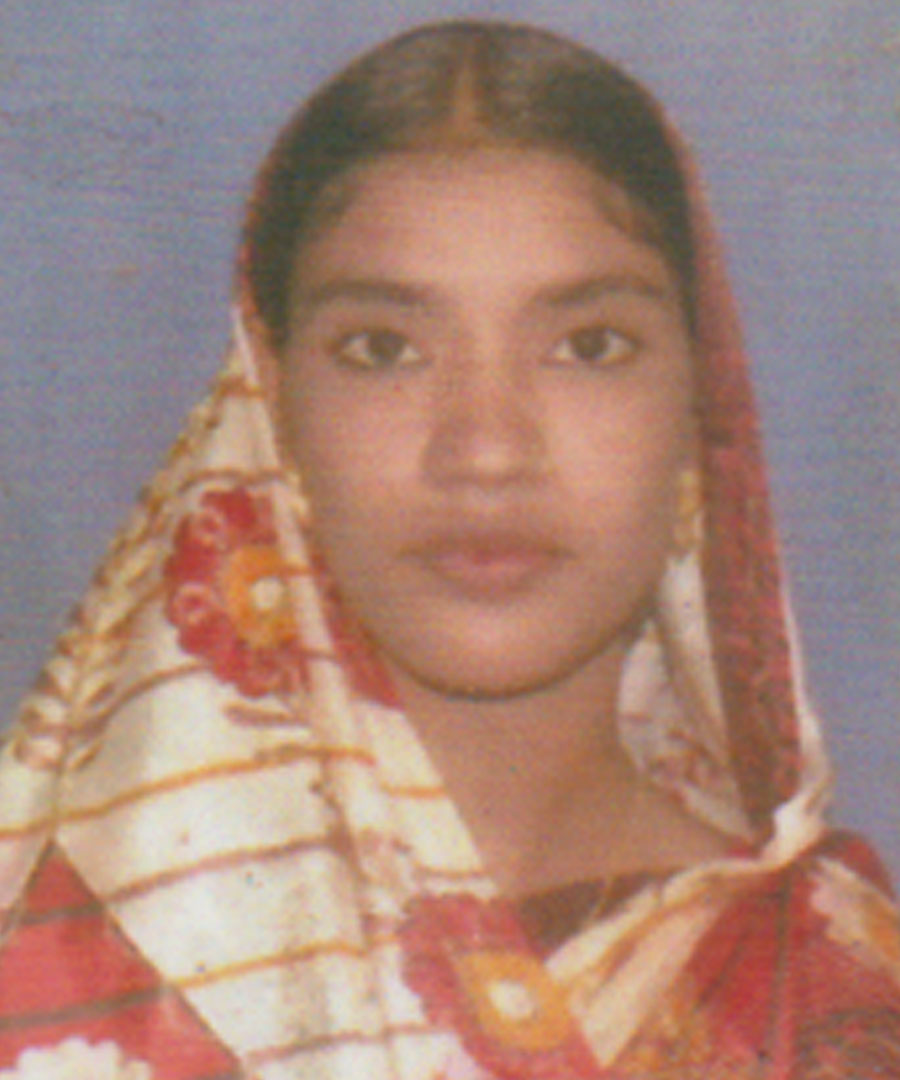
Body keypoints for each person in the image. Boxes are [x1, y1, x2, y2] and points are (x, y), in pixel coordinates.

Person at [1, 19, 898, 1080]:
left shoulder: (823, 989)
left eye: (588, 346)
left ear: (699, 408)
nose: (485, 451)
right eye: (383, 349)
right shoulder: (65, 946)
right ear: (272, 406)